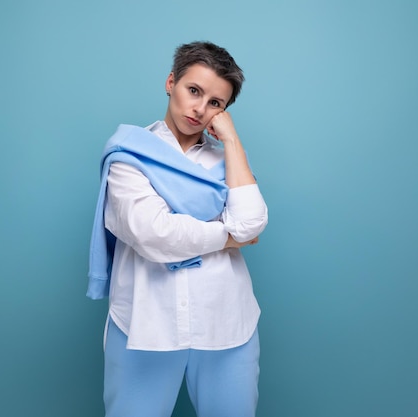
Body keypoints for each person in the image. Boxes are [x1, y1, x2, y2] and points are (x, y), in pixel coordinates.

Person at [87, 40, 268, 417]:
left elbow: (252, 222)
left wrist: (232, 142)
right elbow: (154, 235)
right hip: (144, 324)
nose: (200, 108)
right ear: (171, 82)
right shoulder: (129, 154)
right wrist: (227, 236)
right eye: (194, 91)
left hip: (226, 324)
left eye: (216, 103)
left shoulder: (227, 161)